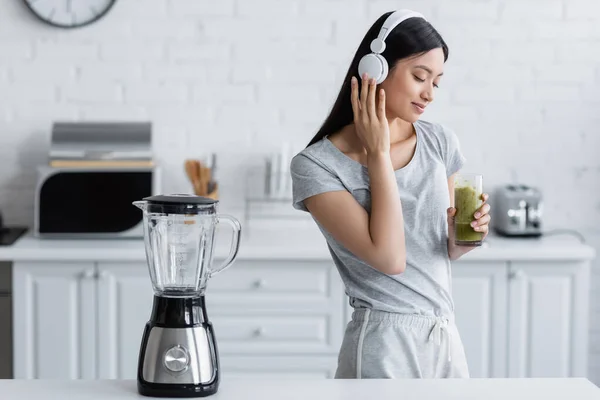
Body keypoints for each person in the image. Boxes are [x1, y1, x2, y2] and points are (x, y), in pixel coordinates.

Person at [289, 10, 492, 379]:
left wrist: (465, 238)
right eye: (419, 77)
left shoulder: (440, 142)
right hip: (383, 344)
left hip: (444, 333)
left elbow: (443, 249)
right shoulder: (315, 166)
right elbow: (390, 258)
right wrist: (378, 154)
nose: (429, 93)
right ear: (375, 70)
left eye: (437, 82)